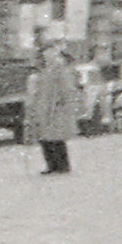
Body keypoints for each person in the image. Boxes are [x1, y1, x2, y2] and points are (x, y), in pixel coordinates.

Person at [26, 43, 80, 173]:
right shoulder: (44, 69)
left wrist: (63, 104)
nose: (47, 55)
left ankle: (62, 165)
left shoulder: (59, 68)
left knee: (56, 138)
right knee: (44, 138)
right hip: (44, 107)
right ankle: (51, 165)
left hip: (56, 107)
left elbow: (67, 88)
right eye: (45, 53)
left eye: (50, 52)